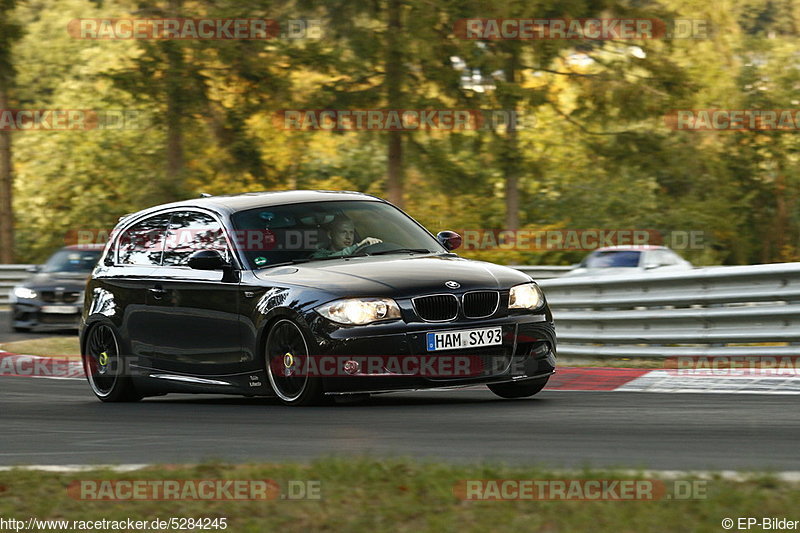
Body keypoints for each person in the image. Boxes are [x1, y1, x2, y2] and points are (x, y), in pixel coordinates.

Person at [311, 215, 382, 258]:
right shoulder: (318, 256)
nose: (348, 237)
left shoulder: (360, 254)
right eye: (343, 232)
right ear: (330, 235)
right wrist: (359, 245)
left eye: (351, 232)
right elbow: (332, 259)